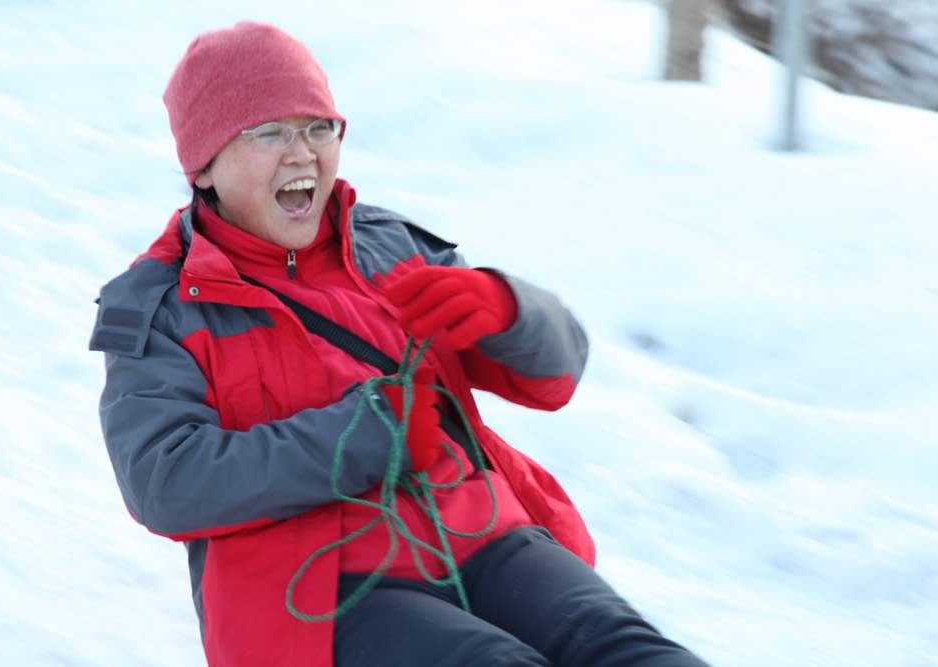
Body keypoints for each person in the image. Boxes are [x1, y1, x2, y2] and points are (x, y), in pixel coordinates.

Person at [90, 21, 709, 667]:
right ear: (205, 167)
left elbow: (555, 377)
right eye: (267, 132)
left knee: (636, 653)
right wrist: (367, 431)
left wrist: (510, 310)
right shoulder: (165, 303)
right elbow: (164, 480)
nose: (301, 153)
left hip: (482, 533)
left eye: (318, 127)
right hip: (321, 584)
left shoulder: (393, 247)